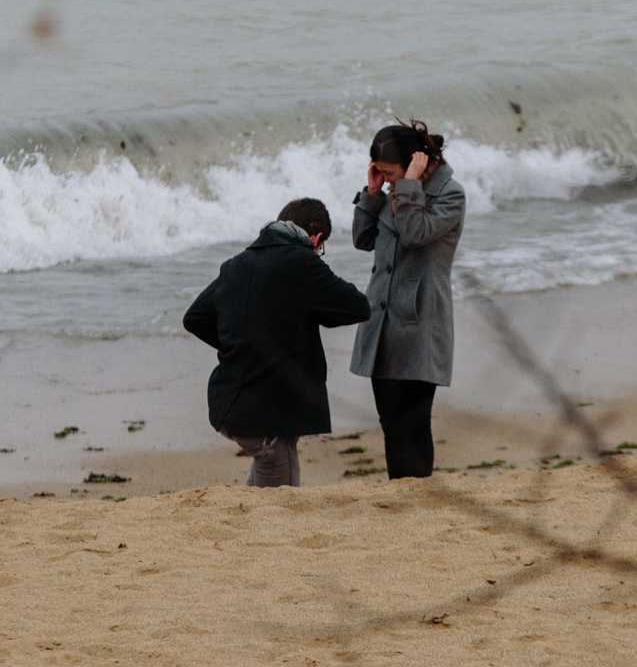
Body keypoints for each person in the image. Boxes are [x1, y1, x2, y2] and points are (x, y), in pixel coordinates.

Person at [182, 198, 371, 487]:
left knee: (263, 479)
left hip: (229, 402)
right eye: (321, 247)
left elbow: (195, 318)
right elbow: (358, 306)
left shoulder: (236, 264)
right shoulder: (303, 261)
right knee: (283, 502)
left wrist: (240, 347)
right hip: (268, 414)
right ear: (316, 239)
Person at [349, 121, 464, 480]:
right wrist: (372, 193)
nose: (388, 180)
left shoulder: (450, 195)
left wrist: (409, 186)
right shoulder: (392, 191)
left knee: (413, 423)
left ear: (415, 161)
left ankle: (418, 493)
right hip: (381, 323)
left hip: (419, 322)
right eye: (381, 174)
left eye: (390, 173)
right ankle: (400, 493)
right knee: (390, 422)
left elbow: (415, 234)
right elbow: (362, 240)